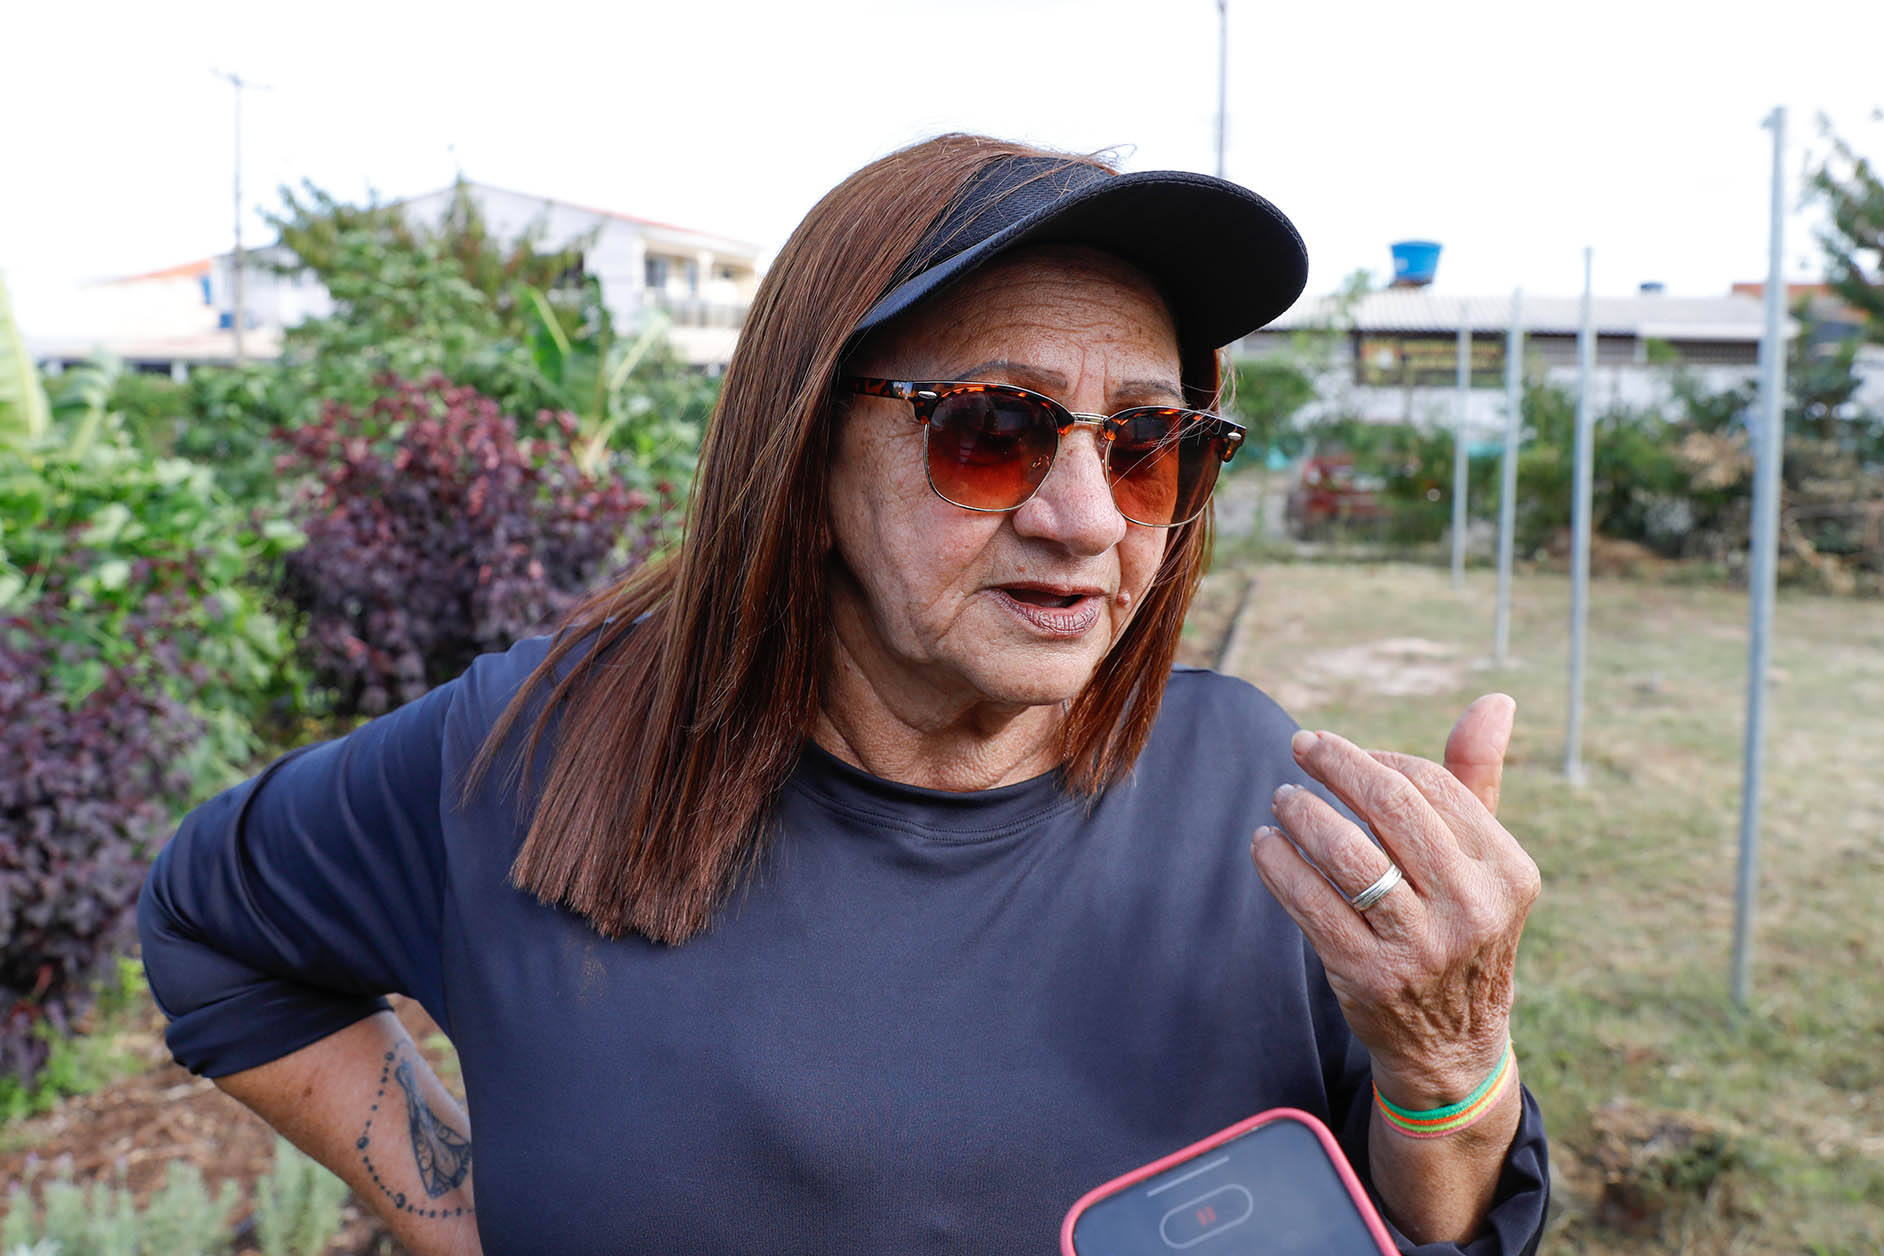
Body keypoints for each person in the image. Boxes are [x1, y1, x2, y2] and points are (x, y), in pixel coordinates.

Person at [139, 134, 1549, 1254]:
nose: (1084, 519)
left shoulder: (1259, 804)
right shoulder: (532, 754)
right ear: (807, 453)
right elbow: (212, 926)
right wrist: (467, 1210)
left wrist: (1452, 1063)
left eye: (1146, 445)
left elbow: (1435, 1216)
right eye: (992, 429)